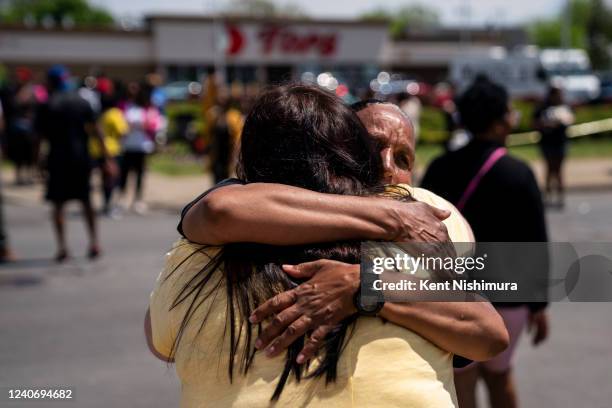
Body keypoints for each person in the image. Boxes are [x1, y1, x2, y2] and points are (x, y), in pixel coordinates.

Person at [147, 84, 508, 406]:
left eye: (403, 159)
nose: (386, 170)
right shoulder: (413, 215)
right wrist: (392, 222)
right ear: (343, 151)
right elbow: (220, 209)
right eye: (372, 148)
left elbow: (496, 318)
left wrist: (365, 283)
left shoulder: (426, 216)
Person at [421, 78, 549, 408]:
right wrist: (539, 305)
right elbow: (534, 241)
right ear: (498, 121)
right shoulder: (518, 172)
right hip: (509, 295)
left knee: (461, 381)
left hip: (454, 294)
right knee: (501, 376)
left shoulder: (439, 167)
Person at [34, 65, 109, 262]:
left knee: (58, 204)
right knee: (86, 201)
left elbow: (39, 138)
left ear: (50, 82)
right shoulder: (81, 102)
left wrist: (37, 162)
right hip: (81, 158)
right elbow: (97, 130)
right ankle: (94, 243)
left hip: (57, 159)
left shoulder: (47, 104)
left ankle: (62, 248)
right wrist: (107, 158)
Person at [119, 83, 161, 214]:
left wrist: (144, 126)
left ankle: (138, 199)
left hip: (142, 145)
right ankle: (122, 198)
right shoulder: (123, 106)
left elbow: (154, 124)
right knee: (124, 173)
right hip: (126, 145)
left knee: (140, 173)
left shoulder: (147, 107)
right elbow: (119, 122)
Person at [533, 86, 574, 208]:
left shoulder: (565, 106)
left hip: (560, 143)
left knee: (559, 170)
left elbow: (571, 119)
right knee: (549, 170)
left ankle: (560, 197)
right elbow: (535, 122)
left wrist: (561, 122)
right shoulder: (542, 107)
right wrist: (547, 124)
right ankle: (548, 196)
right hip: (547, 144)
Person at [90, 86, 126, 216]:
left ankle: (105, 204)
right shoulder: (115, 114)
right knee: (112, 179)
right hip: (113, 150)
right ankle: (110, 206)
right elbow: (122, 131)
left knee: (104, 178)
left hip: (97, 150)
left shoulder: (100, 115)